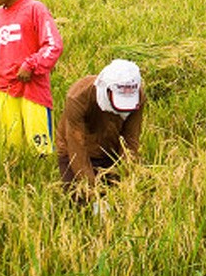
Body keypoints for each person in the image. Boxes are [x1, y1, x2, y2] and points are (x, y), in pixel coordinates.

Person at [0, 0, 63, 154]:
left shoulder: (35, 9)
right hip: (4, 90)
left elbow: (54, 45)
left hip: (32, 89)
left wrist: (31, 64)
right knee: (9, 150)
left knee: (40, 151)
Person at [56, 59, 146, 199]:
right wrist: (92, 187)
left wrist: (126, 175)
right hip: (73, 149)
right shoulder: (78, 97)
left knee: (116, 198)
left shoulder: (137, 97)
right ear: (105, 88)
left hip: (110, 147)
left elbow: (130, 138)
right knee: (78, 199)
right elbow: (76, 144)